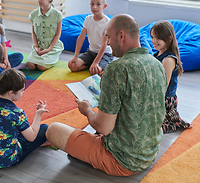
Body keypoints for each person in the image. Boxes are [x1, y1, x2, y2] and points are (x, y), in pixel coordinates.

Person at [46, 14, 167, 176]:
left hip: (122, 160)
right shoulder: (157, 65)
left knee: (52, 130)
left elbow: (103, 128)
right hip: (151, 152)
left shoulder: (117, 68)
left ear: (121, 36)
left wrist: (87, 110)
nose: (107, 42)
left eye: (108, 37)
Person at [0, 68, 49, 168]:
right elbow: (32, 137)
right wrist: (38, 114)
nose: (23, 93)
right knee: (44, 128)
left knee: (11, 127)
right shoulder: (17, 112)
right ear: (11, 93)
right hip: (9, 160)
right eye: (22, 91)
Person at [150, 20, 192, 133]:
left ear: (169, 38)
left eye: (157, 38)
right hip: (156, 95)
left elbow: (163, 87)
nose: (153, 41)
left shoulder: (168, 60)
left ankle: (172, 122)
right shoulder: (157, 54)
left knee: (149, 127)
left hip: (164, 99)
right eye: (152, 37)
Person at [68, 0, 113, 76]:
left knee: (97, 72)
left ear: (104, 6)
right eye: (92, 4)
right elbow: (81, 38)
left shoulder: (107, 22)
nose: (94, 7)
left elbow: (104, 44)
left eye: (98, 4)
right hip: (91, 52)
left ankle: (99, 66)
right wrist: (75, 56)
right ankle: (90, 65)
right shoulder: (88, 19)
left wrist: (96, 62)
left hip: (104, 54)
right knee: (72, 66)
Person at [24, 0, 64, 71]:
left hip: (52, 47)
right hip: (39, 47)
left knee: (40, 67)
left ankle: (54, 57)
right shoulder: (33, 14)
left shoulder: (57, 15)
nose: (38, 0)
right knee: (30, 65)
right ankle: (40, 57)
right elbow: (33, 33)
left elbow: (58, 35)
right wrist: (36, 46)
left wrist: (49, 49)